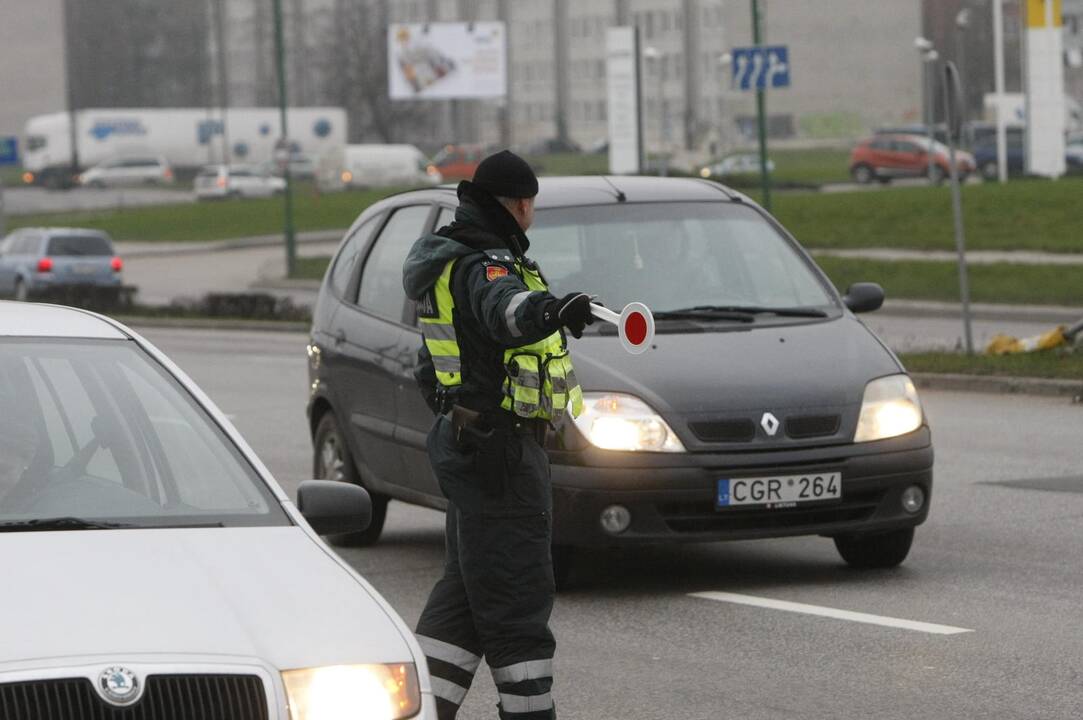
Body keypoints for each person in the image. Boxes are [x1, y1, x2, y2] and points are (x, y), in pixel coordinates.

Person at [402, 150, 595, 720]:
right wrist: (552, 311)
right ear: (519, 204)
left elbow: (430, 364)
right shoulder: (486, 263)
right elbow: (506, 311)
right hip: (503, 454)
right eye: (531, 204)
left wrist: (460, 413)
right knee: (516, 604)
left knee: (462, 601)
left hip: (472, 448)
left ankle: (416, 709)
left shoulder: (445, 257)